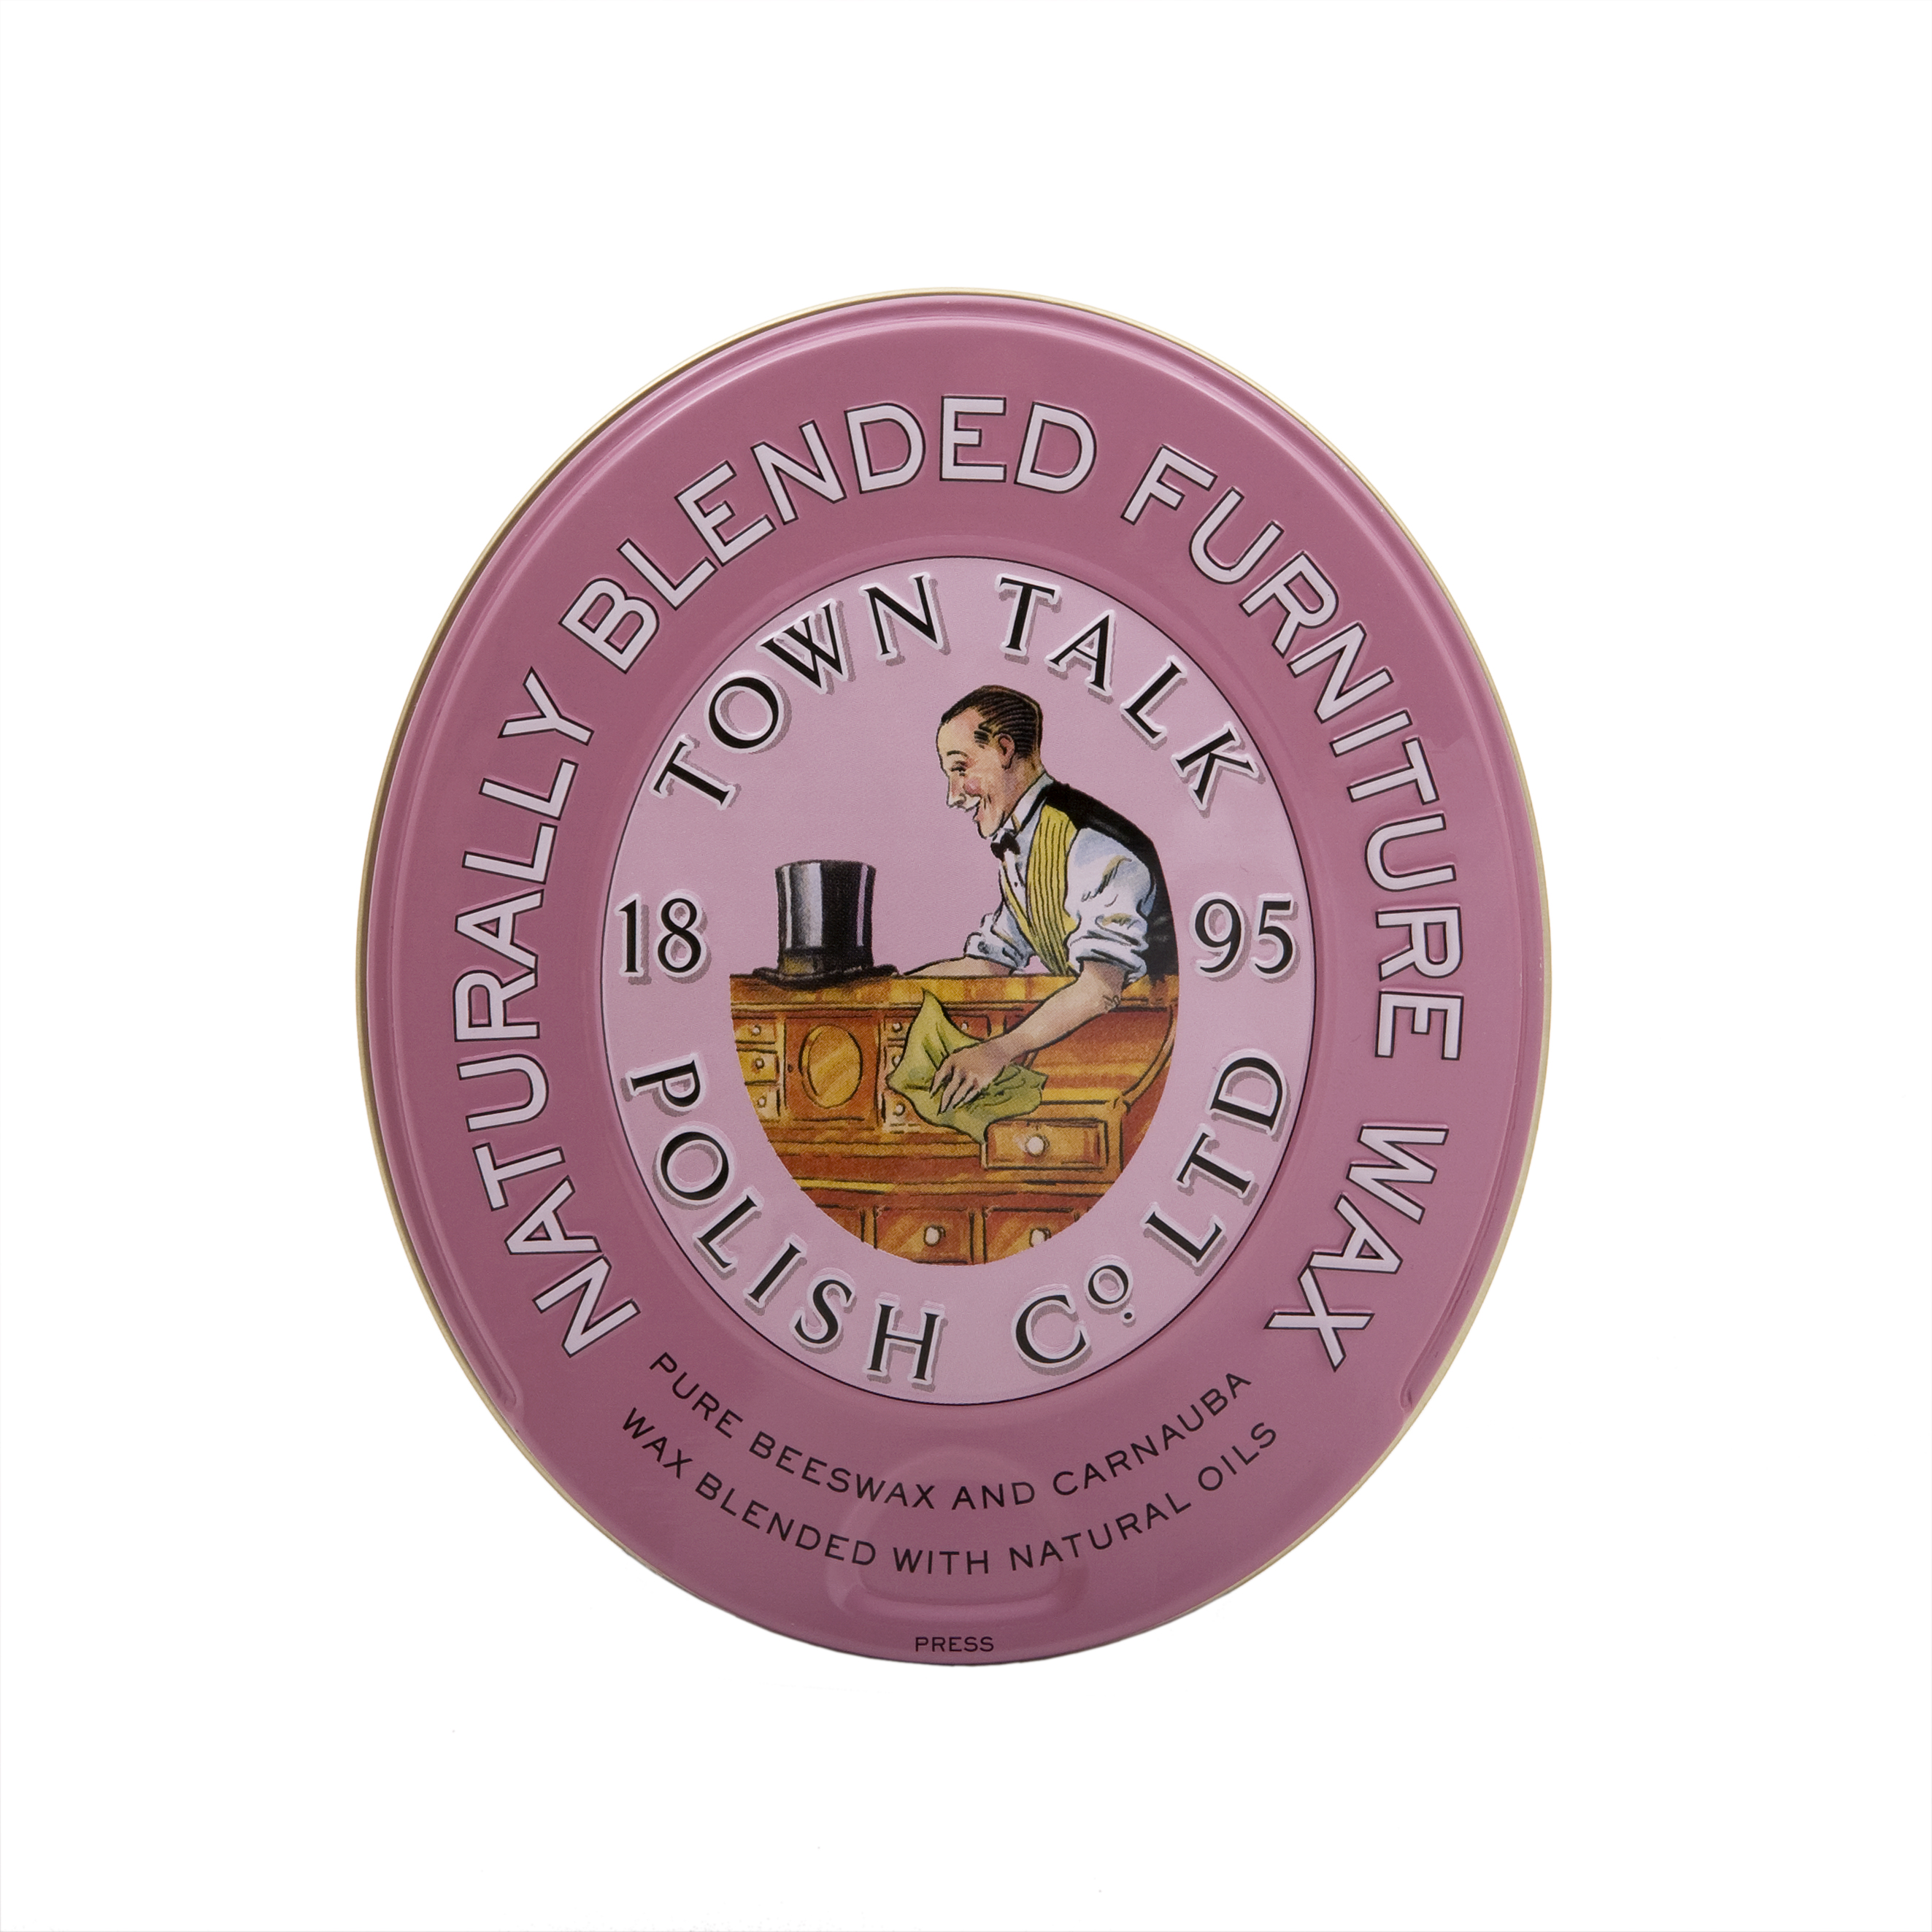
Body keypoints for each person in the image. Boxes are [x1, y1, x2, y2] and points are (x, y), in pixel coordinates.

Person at [910, 685, 1175, 1112]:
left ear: (1004, 750)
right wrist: (889, 987)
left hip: (1147, 1052)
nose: (953, 795)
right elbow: (989, 963)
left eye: (961, 769)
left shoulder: (1090, 845)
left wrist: (997, 1052)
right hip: (1094, 1046)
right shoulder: (1023, 843)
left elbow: (1100, 990)